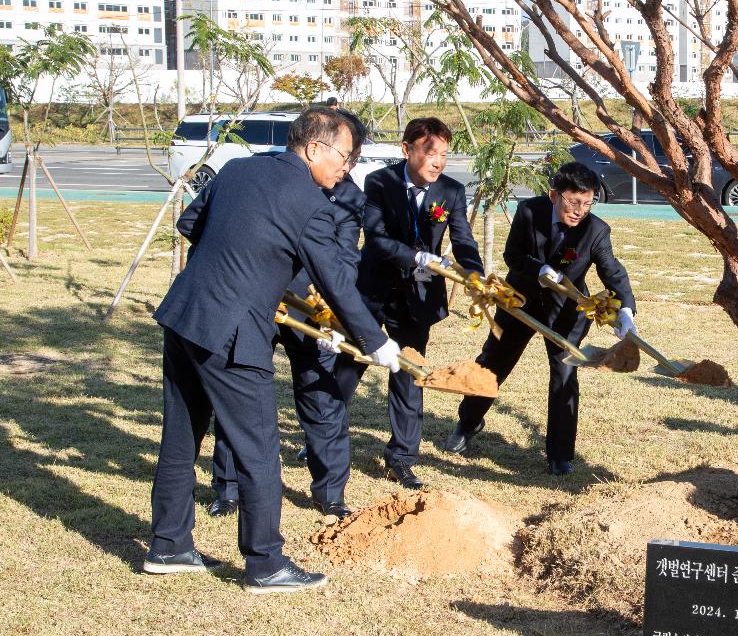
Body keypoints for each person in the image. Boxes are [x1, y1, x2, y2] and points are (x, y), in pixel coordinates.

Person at [145, 108, 401, 594]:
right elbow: (337, 285)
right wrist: (376, 342)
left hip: (185, 312)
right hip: (233, 330)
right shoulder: (310, 202)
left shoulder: (238, 167)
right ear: (314, 148)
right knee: (259, 446)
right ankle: (266, 564)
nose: (347, 169)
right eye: (345, 158)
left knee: (181, 436)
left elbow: (189, 221)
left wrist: (241, 252)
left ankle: (168, 545)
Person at [206, 110, 372, 523]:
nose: (346, 165)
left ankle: (330, 492)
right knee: (241, 393)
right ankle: (226, 488)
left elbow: (344, 257)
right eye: (344, 154)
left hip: (312, 307)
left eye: (352, 158)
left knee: (322, 395)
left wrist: (333, 314)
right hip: (259, 299)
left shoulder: (347, 195)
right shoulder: (267, 174)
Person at [444, 162, 636, 476]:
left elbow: (612, 271)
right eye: (574, 202)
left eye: (587, 204)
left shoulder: (596, 230)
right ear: (553, 195)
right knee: (494, 361)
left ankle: (560, 456)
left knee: (564, 375)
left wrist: (626, 309)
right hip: (520, 301)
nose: (579, 211)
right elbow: (512, 255)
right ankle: (467, 423)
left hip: (566, 313)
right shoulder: (529, 212)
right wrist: (538, 269)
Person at [346, 116, 483, 489]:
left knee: (409, 374)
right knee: (349, 365)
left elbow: (464, 239)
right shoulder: (380, 182)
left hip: (417, 299)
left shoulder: (451, 192)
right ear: (407, 149)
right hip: (373, 290)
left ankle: (402, 457)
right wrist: (417, 257)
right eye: (430, 152)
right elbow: (375, 239)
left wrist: (474, 274)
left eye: (444, 154)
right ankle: (323, 437)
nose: (438, 161)